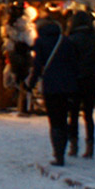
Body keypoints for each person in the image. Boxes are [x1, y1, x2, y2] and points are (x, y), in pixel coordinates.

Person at [27, 16, 79, 166]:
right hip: (68, 85)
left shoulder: (41, 42)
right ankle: (64, 146)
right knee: (63, 118)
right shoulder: (66, 41)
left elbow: (37, 65)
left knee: (54, 120)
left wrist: (31, 83)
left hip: (51, 86)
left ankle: (58, 154)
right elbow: (74, 64)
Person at [66, 10, 95, 158]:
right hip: (90, 79)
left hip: (75, 79)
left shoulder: (71, 39)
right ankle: (90, 145)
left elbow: (68, 60)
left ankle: (73, 145)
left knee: (73, 114)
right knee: (89, 114)